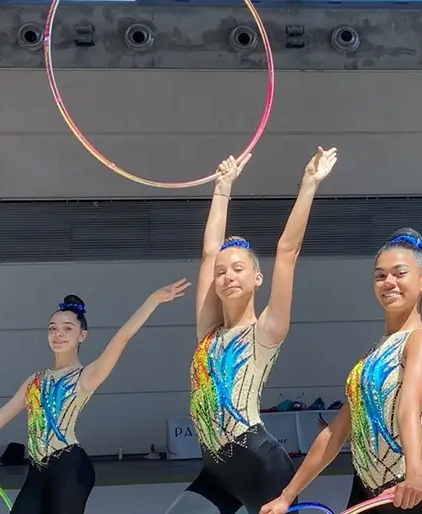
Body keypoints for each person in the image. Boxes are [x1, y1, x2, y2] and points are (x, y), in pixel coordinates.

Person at [0, 282, 189, 514]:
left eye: (68, 328)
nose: (58, 334)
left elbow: (122, 339)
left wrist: (152, 301)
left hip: (69, 468)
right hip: (37, 470)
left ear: (82, 335)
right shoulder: (35, 381)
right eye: (52, 328)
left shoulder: (86, 376)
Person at [167, 148, 338, 514]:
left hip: (260, 465)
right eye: (222, 271)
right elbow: (210, 251)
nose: (227, 275)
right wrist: (222, 187)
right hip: (215, 469)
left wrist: (308, 184)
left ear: (257, 278)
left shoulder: (265, 332)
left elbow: (287, 251)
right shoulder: (207, 332)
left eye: (239, 269)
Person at [261, 229, 422, 514]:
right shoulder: (371, 358)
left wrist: (414, 477)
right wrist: (286, 496)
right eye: (380, 275)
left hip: (410, 492)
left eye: (399, 273)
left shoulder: (420, 339)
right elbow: (335, 433)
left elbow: (408, 409)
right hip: (367, 491)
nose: (389, 282)